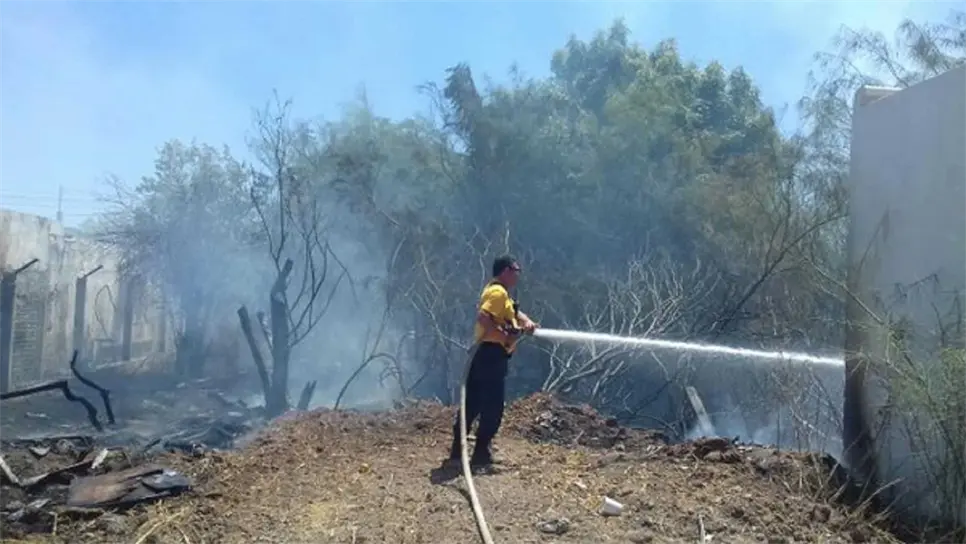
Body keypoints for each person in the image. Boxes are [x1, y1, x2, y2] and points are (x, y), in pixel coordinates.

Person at [448, 254, 538, 467]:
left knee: (473, 401)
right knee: (492, 405)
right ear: (506, 271)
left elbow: (511, 311)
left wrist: (526, 322)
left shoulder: (500, 293)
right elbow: (484, 317)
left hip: (485, 355)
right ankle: (480, 452)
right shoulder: (497, 293)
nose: (518, 275)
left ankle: (457, 451)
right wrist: (506, 335)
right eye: (516, 271)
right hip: (491, 355)